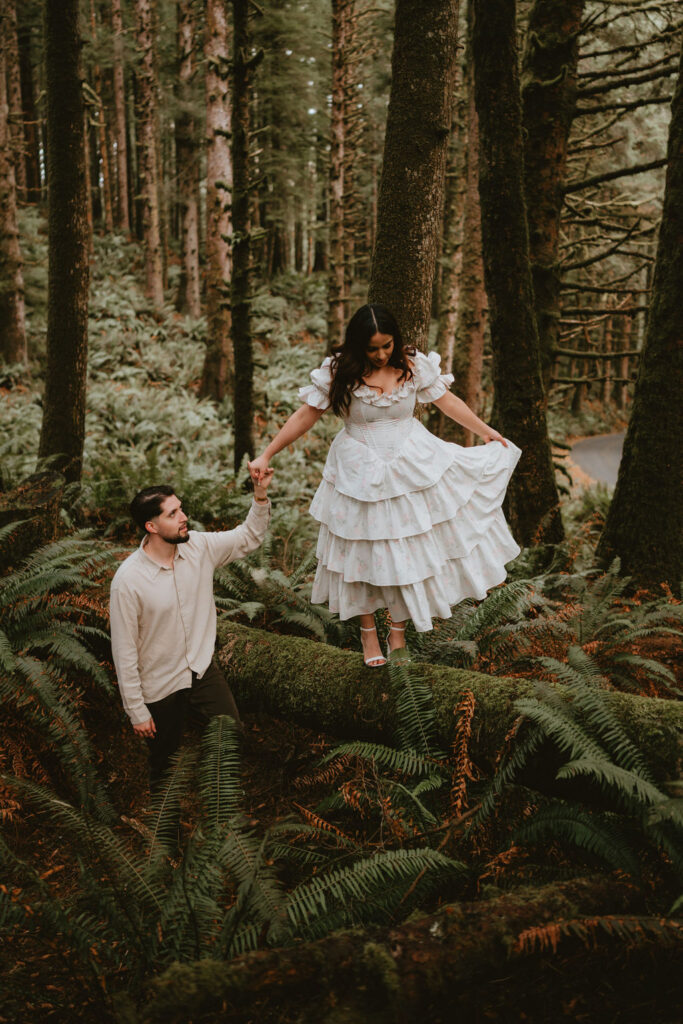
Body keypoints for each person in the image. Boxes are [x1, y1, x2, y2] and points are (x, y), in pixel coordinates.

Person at [248, 304, 521, 667]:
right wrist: (267, 455)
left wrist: (486, 432)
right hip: (358, 468)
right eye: (372, 348)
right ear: (358, 344)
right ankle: (367, 633)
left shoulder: (413, 364)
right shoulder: (338, 371)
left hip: (411, 463)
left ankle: (397, 632)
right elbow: (306, 415)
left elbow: (447, 401)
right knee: (360, 551)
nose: (380, 354)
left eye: (386, 346)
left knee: (405, 549)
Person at [110, 472, 273, 788]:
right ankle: (165, 832)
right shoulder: (128, 581)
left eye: (180, 508)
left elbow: (249, 535)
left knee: (230, 737)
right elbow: (124, 650)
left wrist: (260, 495)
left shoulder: (199, 547)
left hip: (201, 668)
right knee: (165, 765)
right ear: (151, 527)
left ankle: (219, 812)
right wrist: (136, 711)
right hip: (159, 682)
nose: (184, 518)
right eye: (173, 514)